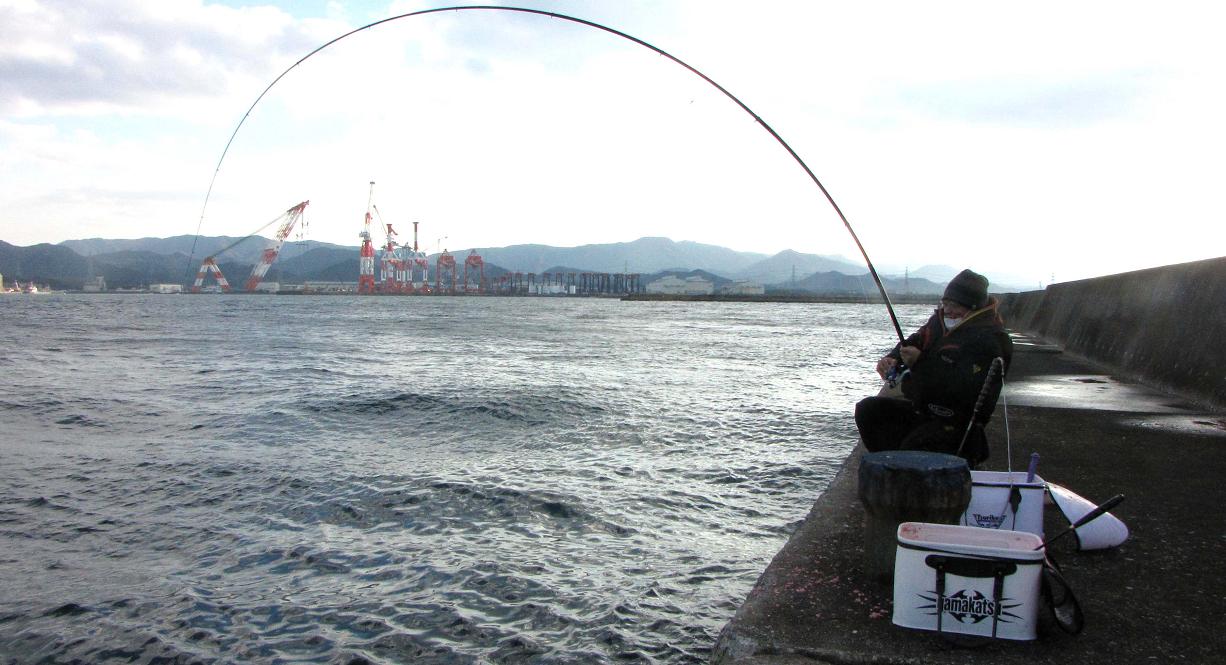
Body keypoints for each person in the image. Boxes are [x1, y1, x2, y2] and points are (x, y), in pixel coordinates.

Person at [854, 269, 1013, 465]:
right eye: (945, 304)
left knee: (913, 448)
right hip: (924, 411)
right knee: (868, 410)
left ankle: (912, 467)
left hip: (958, 425)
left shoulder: (990, 341)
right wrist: (893, 358)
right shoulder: (938, 322)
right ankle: (893, 466)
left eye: (955, 306)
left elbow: (961, 389)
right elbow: (916, 340)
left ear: (973, 307)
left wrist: (920, 363)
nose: (948, 310)